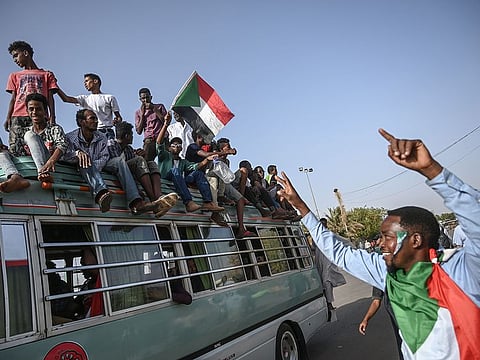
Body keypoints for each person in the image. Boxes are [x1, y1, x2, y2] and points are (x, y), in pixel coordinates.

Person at [277, 128, 480, 359]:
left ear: (415, 240)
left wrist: (431, 170)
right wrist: (301, 207)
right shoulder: (385, 271)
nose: (380, 244)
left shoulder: (461, 271)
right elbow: (338, 252)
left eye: (388, 237)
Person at [63, 109, 162, 215]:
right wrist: (77, 154)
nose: (96, 121)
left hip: (99, 166)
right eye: (92, 118)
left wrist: (92, 166)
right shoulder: (71, 138)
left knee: (119, 161)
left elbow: (104, 157)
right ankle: (101, 194)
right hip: (80, 166)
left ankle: (136, 203)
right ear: (82, 122)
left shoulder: (101, 137)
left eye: (96, 118)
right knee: (83, 161)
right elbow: (64, 156)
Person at [156, 119, 224, 217]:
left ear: (181, 149)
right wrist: (166, 124)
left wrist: (207, 160)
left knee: (198, 173)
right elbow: (159, 143)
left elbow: (195, 166)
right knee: (175, 170)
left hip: (180, 180)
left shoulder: (183, 162)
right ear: (169, 148)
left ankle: (208, 202)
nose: (176, 146)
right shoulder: (164, 156)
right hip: (166, 178)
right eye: (174, 144)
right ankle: (188, 202)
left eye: (179, 145)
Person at [0, 93, 68, 191]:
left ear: (45, 111)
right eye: (31, 109)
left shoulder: (54, 129)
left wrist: (51, 161)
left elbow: (62, 145)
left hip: (49, 164)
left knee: (30, 135)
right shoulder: (21, 131)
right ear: (27, 111)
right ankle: (15, 177)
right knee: (2, 154)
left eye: (38, 109)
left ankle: (43, 173)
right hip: (30, 168)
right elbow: (17, 153)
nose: (35, 112)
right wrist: (5, 150)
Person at [110, 121, 178, 218]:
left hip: (128, 172)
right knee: (139, 160)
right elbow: (120, 168)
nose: (133, 137)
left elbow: (136, 168)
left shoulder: (128, 149)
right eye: (131, 135)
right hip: (115, 172)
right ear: (126, 136)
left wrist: (142, 156)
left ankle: (158, 197)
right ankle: (154, 200)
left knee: (151, 163)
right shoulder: (112, 145)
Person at [5, 41, 59, 149]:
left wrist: (52, 115)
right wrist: (8, 117)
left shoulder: (46, 75)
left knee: (42, 146)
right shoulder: (14, 76)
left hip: (40, 114)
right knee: (16, 147)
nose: (15, 60)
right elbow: (13, 98)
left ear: (25, 53)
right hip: (18, 116)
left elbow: (50, 97)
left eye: (16, 55)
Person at [56, 73, 122, 141]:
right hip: (91, 132)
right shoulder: (84, 99)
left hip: (107, 132)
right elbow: (66, 99)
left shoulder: (109, 98)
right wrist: (55, 86)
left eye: (87, 81)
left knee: (108, 150)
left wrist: (117, 121)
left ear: (95, 81)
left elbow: (118, 117)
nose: (85, 84)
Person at [314, 218, 346, 320]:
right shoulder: (316, 235)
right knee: (324, 282)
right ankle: (327, 303)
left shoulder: (329, 234)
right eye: (321, 224)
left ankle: (329, 303)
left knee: (327, 281)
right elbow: (313, 248)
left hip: (328, 260)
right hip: (320, 259)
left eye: (324, 224)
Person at [135, 88, 170, 161]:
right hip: (149, 140)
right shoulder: (138, 112)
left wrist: (154, 109)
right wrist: (142, 114)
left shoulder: (160, 107)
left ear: (151, 97)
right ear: (140, 99)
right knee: (147, 161)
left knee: (166, 160)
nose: (145, 100)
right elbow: (138, 131)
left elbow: (165, 122)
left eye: (147, 97)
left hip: (162, 139)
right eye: (143, 98)